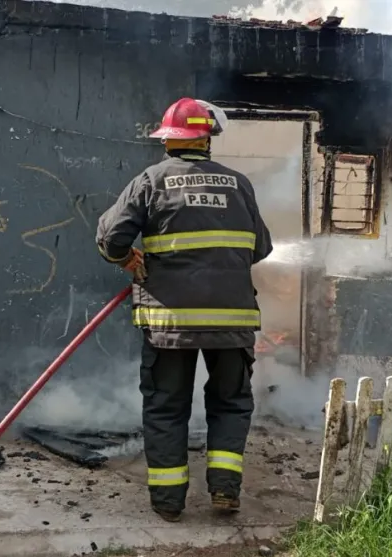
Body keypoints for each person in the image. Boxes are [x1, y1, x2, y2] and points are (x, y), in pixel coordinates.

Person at [95, 97, 273, 522]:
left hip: (170, 323)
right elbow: (261, 248)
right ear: (208, 139)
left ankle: (169, 503)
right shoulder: (239, 184)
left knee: (166, 406)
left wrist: (128, 260)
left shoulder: (151, 181)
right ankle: (225, 491)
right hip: (231, 323)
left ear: (169, 140)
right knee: (230, 403)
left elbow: (111, 239)